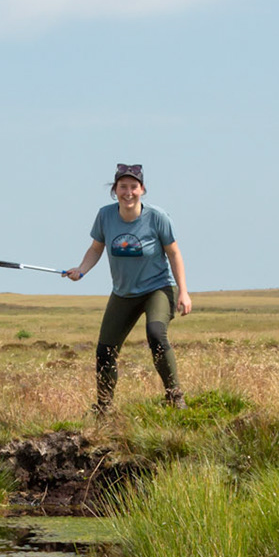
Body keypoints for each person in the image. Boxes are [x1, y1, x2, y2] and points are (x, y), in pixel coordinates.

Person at [63, 163, 192, 414]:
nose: (128, 192)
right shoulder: (105, 216)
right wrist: (81, 270)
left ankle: (174, 396)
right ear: (115, 190)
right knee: (105, 349)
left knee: (156, 334)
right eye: (123, 187)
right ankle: (104, 407)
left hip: (157, 289)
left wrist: (184, 292)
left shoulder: (157, 217)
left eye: (134, 187)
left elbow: (174, 254)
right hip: (123, 293)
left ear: (142, 189)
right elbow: (96, 248)